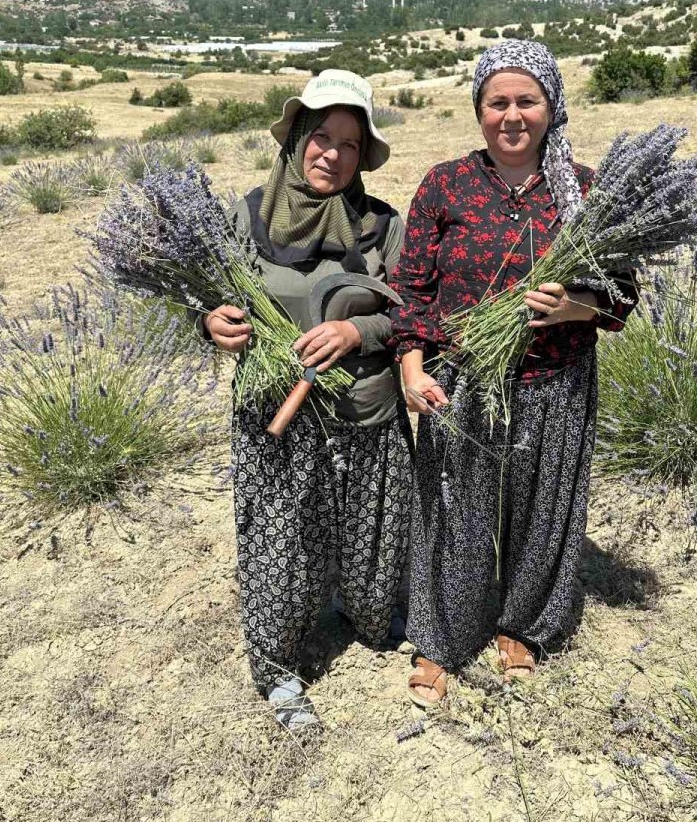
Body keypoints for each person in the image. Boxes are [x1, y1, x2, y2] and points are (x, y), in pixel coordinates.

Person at [390, 40, 638, 707]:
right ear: (478, 111)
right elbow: (410, 290)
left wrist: (573, 307)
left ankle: (523, 628)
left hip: (555, 380)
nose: (512, 114)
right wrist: (411, 367)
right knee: (453, 511)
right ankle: (441, 638)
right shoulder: (444, 184)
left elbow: (622, 296)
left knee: (543, 514)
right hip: (461, 377)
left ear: (550, 106)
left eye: (527, 100)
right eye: (496, 101)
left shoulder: (585, 189)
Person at [203, 69, 413, 731]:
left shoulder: (382, 226)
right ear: (295, 139)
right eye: (322, 137)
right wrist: (211, 322)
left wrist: (359, 329)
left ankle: (371, 617)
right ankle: (278, 669)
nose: (333, 154)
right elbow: (206, 300)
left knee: (373, 540)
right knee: (281, 542)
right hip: (277, 418)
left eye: (350, 145)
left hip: (368, 413)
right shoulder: (243, 217)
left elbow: (415, 316)